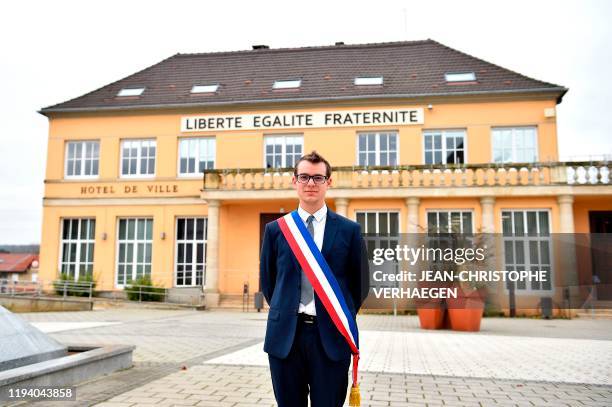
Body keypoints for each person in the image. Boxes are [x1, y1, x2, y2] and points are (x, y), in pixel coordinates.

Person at [260, 151, 369, 407]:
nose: (311, 183)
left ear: (328, 182)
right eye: (305, 177)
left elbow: (360, 285)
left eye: (318, 178)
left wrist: (338, 314)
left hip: (331, 338)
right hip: (285, 336)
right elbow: (269, 282)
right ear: (294, 180)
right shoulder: (276, 230)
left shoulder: (349, 230)